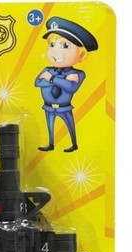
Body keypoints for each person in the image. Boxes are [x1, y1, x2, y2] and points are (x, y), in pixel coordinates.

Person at [35, 16, 98, 152]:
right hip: (48, 107)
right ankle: (51, 144)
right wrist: (61, 80)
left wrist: (51, 79)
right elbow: (38, 82)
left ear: (81, 54)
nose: (55, 51)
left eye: (65, 45)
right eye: (52, 45)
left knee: (70, 125)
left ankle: (74, 144)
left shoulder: (78, 74)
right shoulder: (47, 70)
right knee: (50, 125)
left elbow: (71, 87)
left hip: (65, 107)